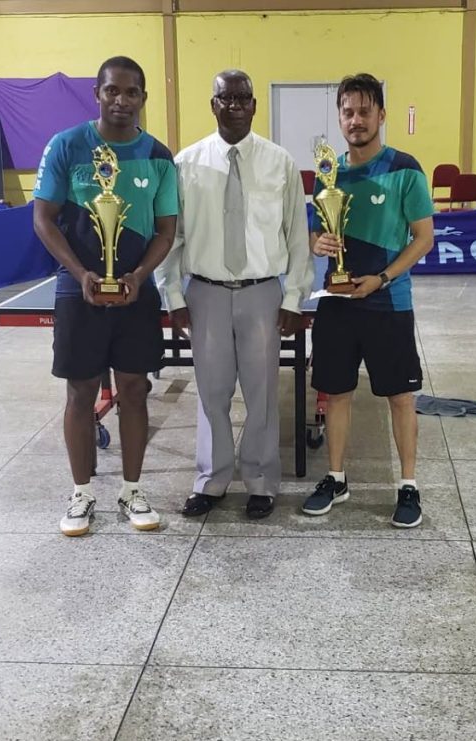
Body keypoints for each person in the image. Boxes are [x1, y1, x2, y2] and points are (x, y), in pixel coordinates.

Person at [157, 70, 313, 520]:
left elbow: (298, 237)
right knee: (211, 392)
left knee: (263, 392)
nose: (236, 105)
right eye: (227, 98)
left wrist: (292, 300)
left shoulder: (279, 162)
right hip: (204, 292)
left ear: (254, 105)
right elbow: (173, 237)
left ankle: (261, 481)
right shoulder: (186, 163)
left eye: (244, 97)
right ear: (213, 104)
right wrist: (173, 296)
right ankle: (212, 479)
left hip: (262, 293)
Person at [33, 56, 178, 536]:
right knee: (80, 393)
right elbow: (44, 218)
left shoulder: (159, 156)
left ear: (142, 98)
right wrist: (79, 274)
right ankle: (81, 495)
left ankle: (133, 489)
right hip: (78, 292)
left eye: (131, 92)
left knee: (135, 390)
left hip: (137, 292)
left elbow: (166, 229)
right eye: (112, 90)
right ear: (97, 93)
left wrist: (138, 276)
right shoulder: (66, 146)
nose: (121, 100)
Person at [301, 73, 435, 529]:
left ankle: (409, 486)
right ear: (339, 116)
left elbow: (423, 239)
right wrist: (316, 242)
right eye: (347, 111)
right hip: (337, 304)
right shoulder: (328, 173)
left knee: (400, 397)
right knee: (335, 393)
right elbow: (318, 229)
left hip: (388, 303)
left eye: (364, 111)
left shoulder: (405, 168)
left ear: (381, 115)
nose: (355, 120)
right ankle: (336, 478)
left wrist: (382, 277)